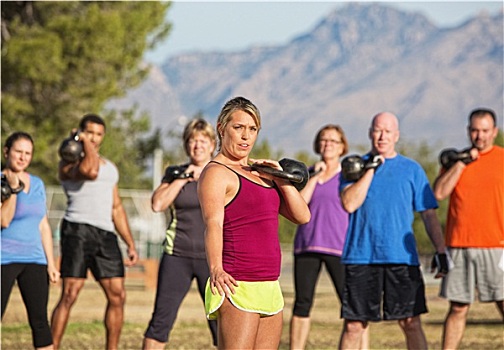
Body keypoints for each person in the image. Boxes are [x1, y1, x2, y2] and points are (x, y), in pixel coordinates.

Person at [198, 96, 311, 349]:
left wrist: (280, 178)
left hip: (270, 284)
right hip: (238, 284)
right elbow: (213, 223)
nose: (245, 136)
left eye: (252, 129)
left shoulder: (261, 173)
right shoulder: (216, 173)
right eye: (238, 127)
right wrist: (216, 268)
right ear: (221, 127)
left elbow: (303, 216)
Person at [338, 112, 447, 350]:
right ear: (370, 133)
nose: (382, 136)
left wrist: (441, 250)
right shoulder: (354, 166)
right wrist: (370, 169)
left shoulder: (412, 169)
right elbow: (349, 203)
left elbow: (428, 214)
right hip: (361, 256)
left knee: (410, 322)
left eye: (388, 131)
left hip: (401, 257)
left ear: (396, 136)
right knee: (354, 325)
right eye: (377, 130)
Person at [50, 113, 139, 350]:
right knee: (70, 294)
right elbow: (90, 171)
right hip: (77, 231)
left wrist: (129, 242)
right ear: (80, 132)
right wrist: (81, 142)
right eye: (90, 133)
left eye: (99, 134)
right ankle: (51, 347)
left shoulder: (110, 168)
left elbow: (117, 207)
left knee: (118, 295)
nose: (94, 138)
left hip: (105, 234)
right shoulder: (68, 162)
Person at [289, 124, 369, 349]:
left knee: (352, 306)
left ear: (342, 146)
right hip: (307, 246)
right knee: (302, 303)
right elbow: (299, 203)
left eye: (333, 141)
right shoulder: (307, 172)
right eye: (324, 140)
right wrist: (315, 176)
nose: (328, 145)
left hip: (340, 248)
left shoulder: (349, 175)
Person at [143, 119, 218, 349]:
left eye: (203, 141)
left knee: (222, 324)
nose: (198, 145)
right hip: (177, 256)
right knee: (160, 322)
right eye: (193, 140)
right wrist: (183, 178)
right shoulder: (175, 173)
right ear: (186, 145)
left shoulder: (220, 174)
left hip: (212, 258)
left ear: (212, 145)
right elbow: (157, 204)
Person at [432, 108, 504, 349]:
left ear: (494, 132)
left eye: (484, 131)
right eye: (475, 130)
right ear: (468, 131)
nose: (479, 136)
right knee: (458, 307)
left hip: (498, 246)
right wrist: (461, 164)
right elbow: (439, 193)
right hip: (459, 245)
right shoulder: (455, 161)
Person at [1, 132, 60, 350]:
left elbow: (43, 225)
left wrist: (51, 264)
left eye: (28, 153)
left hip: (34, 259)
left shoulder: (37, 184)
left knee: (40, 322)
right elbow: (4, 221)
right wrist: (12, 191)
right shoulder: (0, 181)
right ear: (7, 152)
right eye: (18, 152)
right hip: (4, 258)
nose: (23, 157)